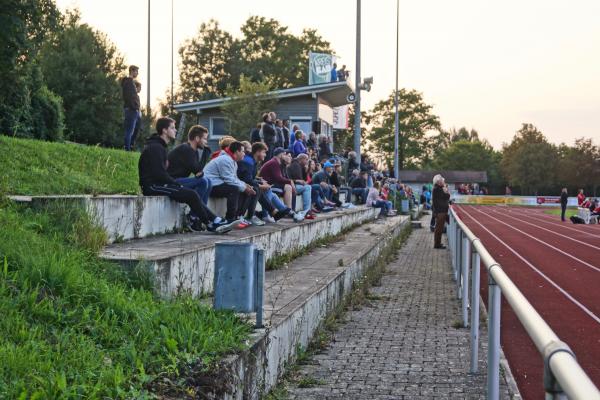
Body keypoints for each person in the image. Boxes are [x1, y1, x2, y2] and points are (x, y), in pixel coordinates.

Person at [138, 117, 234, 233]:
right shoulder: (156, 147)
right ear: (164, 130)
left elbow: (198, 172)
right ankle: (211, 221)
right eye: (173, 128)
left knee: (192, 193)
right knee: (194, 192)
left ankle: (212, 221)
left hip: (163, 183)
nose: (176, 130)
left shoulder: (161, 146)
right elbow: (159, 173)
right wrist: (175, 184)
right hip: (153, 186)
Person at [203, 141, 256, 227]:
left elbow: (234, 178)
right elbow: (229, 180)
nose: (244, 154)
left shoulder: (231, 160)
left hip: (217, 183)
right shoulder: (226, 160)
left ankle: (238, 216)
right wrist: (244, 187)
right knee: (234, 189)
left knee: (242, 189)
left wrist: (245, 185)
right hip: (210, 185)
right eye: (243, 151)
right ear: (237, 152)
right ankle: (230, 219)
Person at [167, 125, 212, 204]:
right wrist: (206, 153)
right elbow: (197, 170)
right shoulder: (186, 149)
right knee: (203, 182)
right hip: (171, 181)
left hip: (180, 180)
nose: (206, 142)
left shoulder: (194, 151)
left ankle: (202, 212)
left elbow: (198, 173)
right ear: (197, 138)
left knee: (209, 182)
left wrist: (199, 172)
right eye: (204, 139)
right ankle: (194, 215)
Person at [259, 147, 304, 222]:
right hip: (264, 187)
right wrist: (290, 181)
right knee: (270, 194)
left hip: (268, 187)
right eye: (284, 154)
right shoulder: (274, 162)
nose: (286, 156)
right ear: (280, 155)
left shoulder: (276, 162)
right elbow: (278, 178)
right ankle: (265, 215)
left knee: (274, 196)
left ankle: (290, 213)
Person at [287, 153, 314, 219]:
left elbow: (303, 180)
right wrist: (299, 181)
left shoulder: (299, 165)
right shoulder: (295, 165)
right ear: (301, 159)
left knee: (309, 187)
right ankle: (306, 211)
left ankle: (308, 210)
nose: (307, 161)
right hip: (292, 185)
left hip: (295, 185)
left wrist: (305, 170)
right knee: (308, 187)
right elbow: (298, 180)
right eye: (306, 159)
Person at [122, 65, 141, 151]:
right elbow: (129, 97)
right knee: (129, 131)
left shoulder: (131, 82)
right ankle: (127, 148)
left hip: (133, 110)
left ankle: (130, 146)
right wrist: (134, 107)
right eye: (136, 71)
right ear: (132, 71)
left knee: (135, 129)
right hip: (131, 110)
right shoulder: (129, 82)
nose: (137, 73)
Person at [432, 174, 450, 249]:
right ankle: (437, 244)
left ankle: (438, 243)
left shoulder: (437, 188)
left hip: (440, 211)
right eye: (443, 181)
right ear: (439, 182)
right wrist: (446, 189)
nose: (444, 182)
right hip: (440, 212)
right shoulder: (438, 189)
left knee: (439, 229)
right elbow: (447, 196)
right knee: (439, 229)